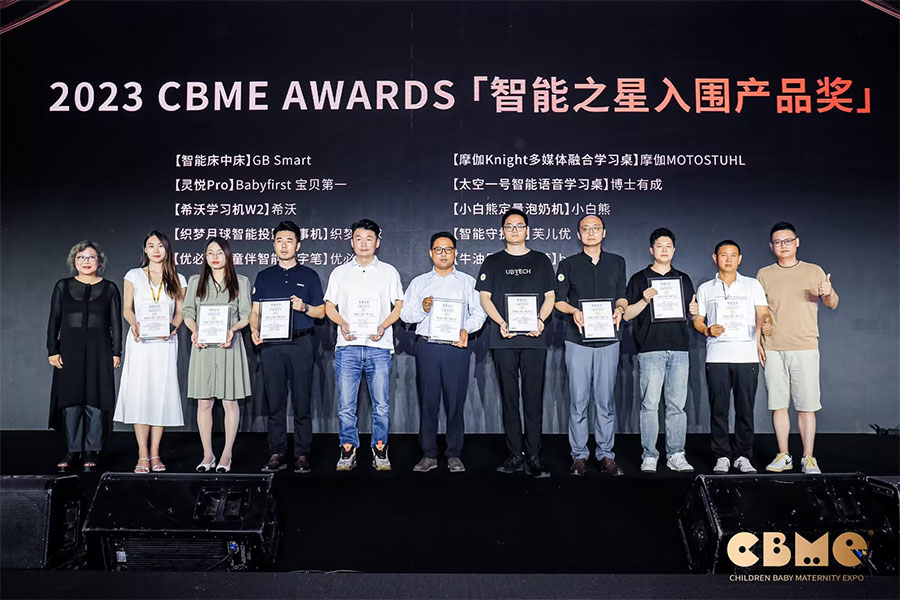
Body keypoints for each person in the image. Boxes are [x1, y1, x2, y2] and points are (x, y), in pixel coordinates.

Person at [476, 209, 555, 478]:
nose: (514, 230)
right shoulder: (492, 261)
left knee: (533, 399)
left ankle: (533, 455)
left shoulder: (541, 260)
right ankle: (515, 455)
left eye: (519, 226)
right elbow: (485, 298)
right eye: (509, 226)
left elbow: (550, 296)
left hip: (534, 339)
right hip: (504, 339)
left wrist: (540, 320)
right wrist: (501, 322)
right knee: (509, 399)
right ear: (502, 232)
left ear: (527, 230)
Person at [401, 232, 486, 473]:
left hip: (456, 348)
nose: (443, 254)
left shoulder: (467, 282)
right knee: (428, 401)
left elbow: (479, 313)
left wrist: (465, 329)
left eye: (448, 249)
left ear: (455, 253)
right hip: (427, 346)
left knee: (455, 401)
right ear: (431, 253)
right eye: (438, 250)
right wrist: (422, 308)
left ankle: (454, 453)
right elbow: (405, 315)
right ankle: (428, 454)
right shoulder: (419, 283)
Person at [757, 222, 838, 475]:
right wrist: (759, 341)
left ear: (797, 242)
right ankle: (784, 455)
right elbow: (760, 313)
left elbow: (832, 303)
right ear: (771, 246)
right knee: (778, 405)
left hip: (805, 346)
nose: (783, 245)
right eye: (778, 242)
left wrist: (828, 292)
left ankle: (808, 458)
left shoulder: (814, 271)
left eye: (788, 241)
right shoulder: (764, 274)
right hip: (773, 348)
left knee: (806, 406)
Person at [324, 219, 403, 471]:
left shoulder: (389, 272)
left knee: (382, 405)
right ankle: (348, 448)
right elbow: (329, 306)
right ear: (352, 242)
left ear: (377, 242)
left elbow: (399, 306)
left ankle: (380, 447)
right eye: (358, 238)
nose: (364, 243)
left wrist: (383, 325)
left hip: (379, 347)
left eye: (369, 238)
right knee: (346, 406)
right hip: (347, 347)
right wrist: (342, 323)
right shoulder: (340, 272)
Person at [249, 220, 325, 473]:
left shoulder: (309, 276)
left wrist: (304, 307)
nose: (284, 245)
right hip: (272, 345)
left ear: (298, 245)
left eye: (289, 241)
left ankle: (302, 454)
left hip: (301, 342)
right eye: (279, 240)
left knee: (302, 402)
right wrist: (254, 329)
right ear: (273, 244)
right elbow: (255, 312)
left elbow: (321, 312)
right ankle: (276, 452)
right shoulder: (264, 276)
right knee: (275, 402)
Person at [691, 240, 772, 474]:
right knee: (719, 410)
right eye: (723, 255)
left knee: (745, 410)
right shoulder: (705, 288)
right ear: (715, 258)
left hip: (747, 356)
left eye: (733, 255)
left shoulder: (752, 285)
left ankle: (743, 456)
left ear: (740, 258)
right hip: (717, 356)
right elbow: (698, 320)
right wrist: (708, 330)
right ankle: (722, 456)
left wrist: (767, 323)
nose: (728, 259)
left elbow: (763, 313)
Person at [555, 215, 627, 476]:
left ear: (603, 232)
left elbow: (622, 296)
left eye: (596, 228)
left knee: (605, 401)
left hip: (609, 340)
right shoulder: (568, 264)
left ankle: (606, 454)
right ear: (579, 235)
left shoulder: (617, 262)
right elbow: (558, 301)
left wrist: (620, 309)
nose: (591, 232)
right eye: (585, 228)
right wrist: (574, 311)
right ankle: (579, 456)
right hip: (578, 341)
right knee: (579, 401)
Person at [624, 228, 695, 474]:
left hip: (679, 349)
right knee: (650, 405)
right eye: (659, 245)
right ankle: (649, 454)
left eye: (668, 246)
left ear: (673, 250)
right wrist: (644, 300)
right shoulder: (639, 278)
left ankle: (676, 454)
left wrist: (694, 312)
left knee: (677, 407)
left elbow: (691, 313)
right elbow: (626, 314)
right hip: (650, 349)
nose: (664, 250)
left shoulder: (683, 279)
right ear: (651, 249)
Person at [115, 231, 187, 474]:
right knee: (140, 394)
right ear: (145, 249)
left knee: (160, 394)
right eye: (151, 245)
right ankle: (142, 454)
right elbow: (127, 308)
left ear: (167, 249)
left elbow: (180, 312)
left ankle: (155, 453)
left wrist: (173, 327)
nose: (156, 250)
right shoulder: (133, 275)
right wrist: (134, 324)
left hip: (165, 343)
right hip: (141, 341)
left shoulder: (178, 278)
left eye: (160, 246)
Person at [47, 241, 121, 473]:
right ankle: (72, 449)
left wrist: (116, 352)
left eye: (91, 257)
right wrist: (52, 350)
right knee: (71, 398)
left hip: (100, 350)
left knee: (95, 399)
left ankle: (91, 450)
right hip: (69, 350)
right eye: (81, 257)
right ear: (74, 261)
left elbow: (116, 324)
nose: (86, 262)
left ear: (100, 261)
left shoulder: (109, 288)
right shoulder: (62, 286)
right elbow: (54, 320)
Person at [182, 237, 252, 473]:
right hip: (203, 347)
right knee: (204, 403)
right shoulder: (196, 281)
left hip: (229, 346)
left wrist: (233, 329)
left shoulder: (241, 282)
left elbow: (246, 315)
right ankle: (207, 454)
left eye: (219, 252)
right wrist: (195, 331)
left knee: (230, 402)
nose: (214, 257)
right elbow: (188, 312)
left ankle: (226, 455)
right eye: (210, 252)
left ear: (227, 255)